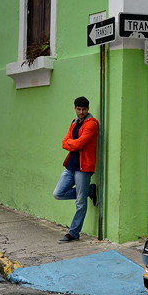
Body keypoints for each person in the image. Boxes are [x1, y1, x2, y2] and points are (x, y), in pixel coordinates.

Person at [53, 96, 98, 242]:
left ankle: (73, 233)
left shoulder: (92, 124)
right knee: (58, 193)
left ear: (88, 109)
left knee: (80, 203)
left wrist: (70, 143)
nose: (81, 112)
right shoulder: (74, 122)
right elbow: (64, 142)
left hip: (83, 167)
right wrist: (71, 143)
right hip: (71, 165)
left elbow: (79, 144)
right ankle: (89, 191)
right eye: (79, 109)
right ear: (75, 108)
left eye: (84, 109)